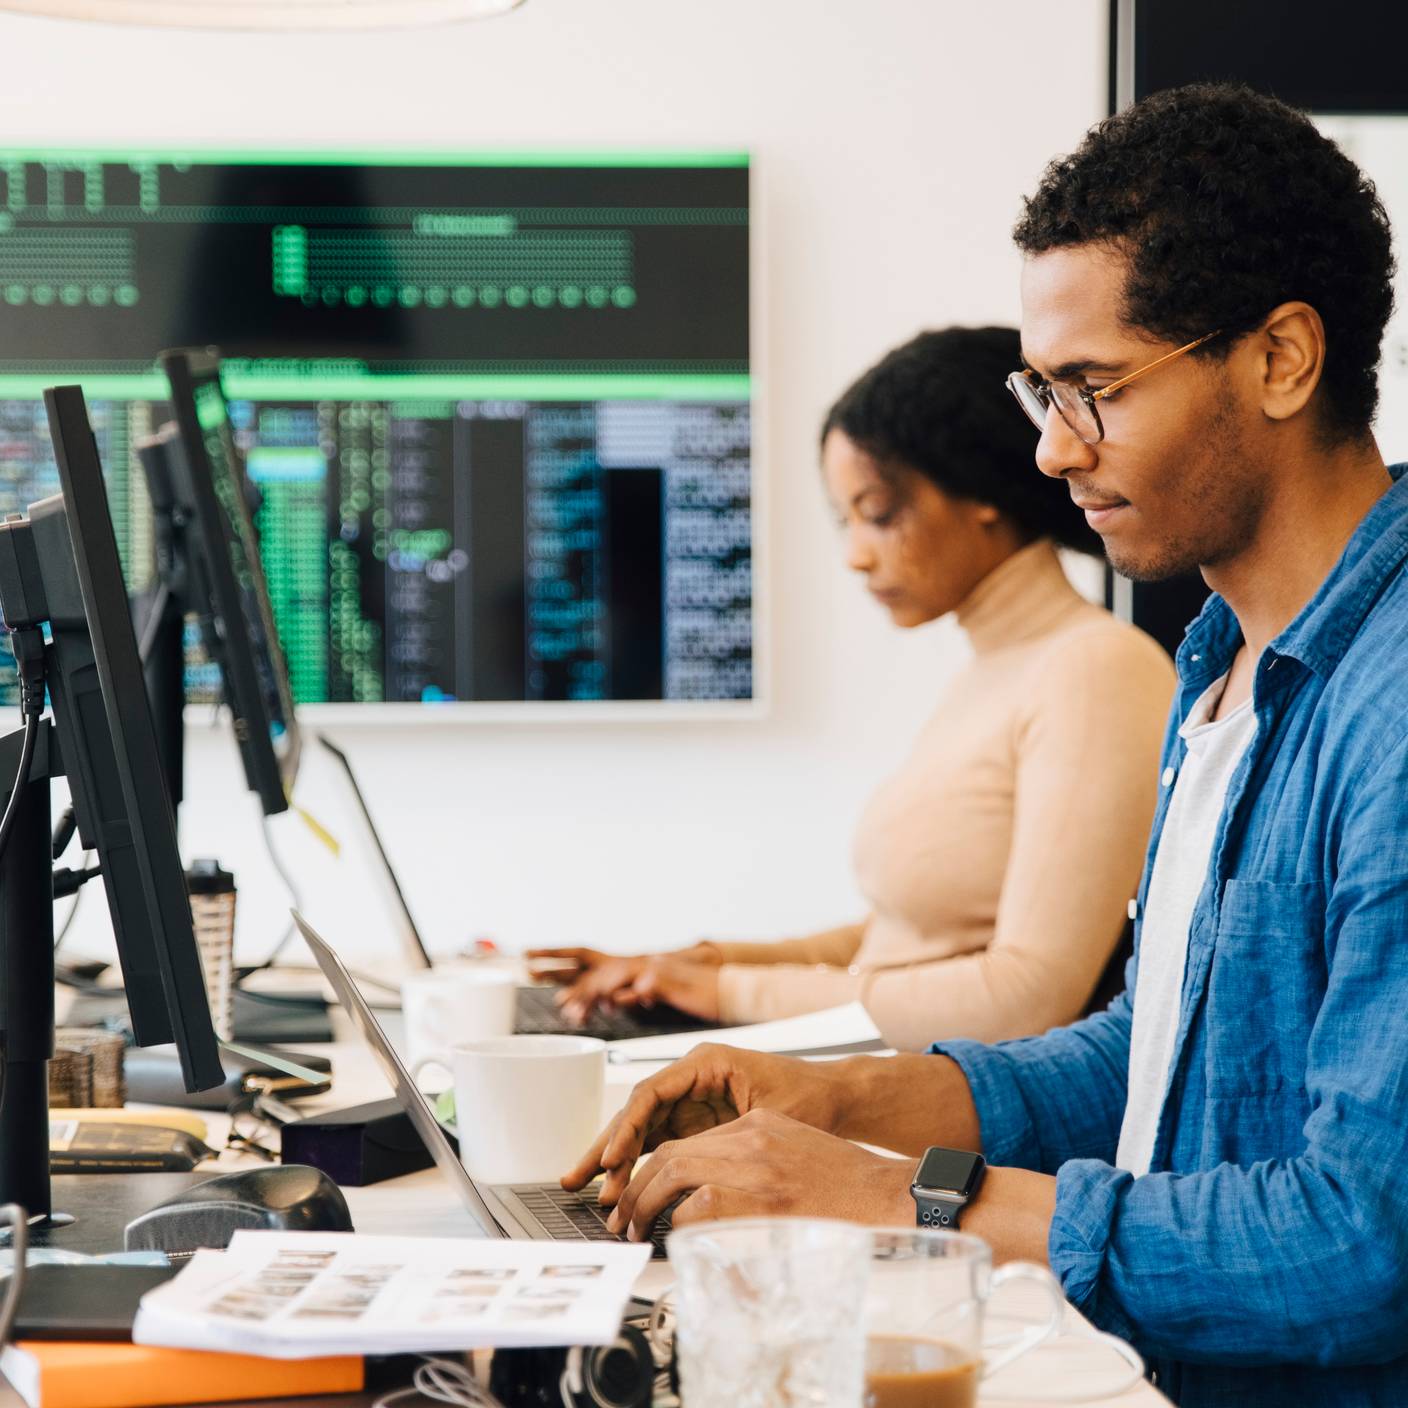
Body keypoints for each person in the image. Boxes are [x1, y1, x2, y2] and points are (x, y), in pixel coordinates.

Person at [562, 83, 1408, 1408]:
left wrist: (899, 1195)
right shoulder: (1220, 671)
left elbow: (1361, 1241)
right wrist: (847, 1101)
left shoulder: (1389, 704)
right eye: (1040, 391)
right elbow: (1153, 1055)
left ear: (1282, 359)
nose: (1053, 452)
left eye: (1093, 390)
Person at [530, 327, 1174, 1052]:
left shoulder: (1095, 670)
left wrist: (729, 993)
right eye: (847, 521)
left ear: (981, 492)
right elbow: (904, 937)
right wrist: (701, 965)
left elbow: (1025, 997)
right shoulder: (995, 671)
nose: (855, 556)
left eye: (879, 513)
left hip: (945, 1102)